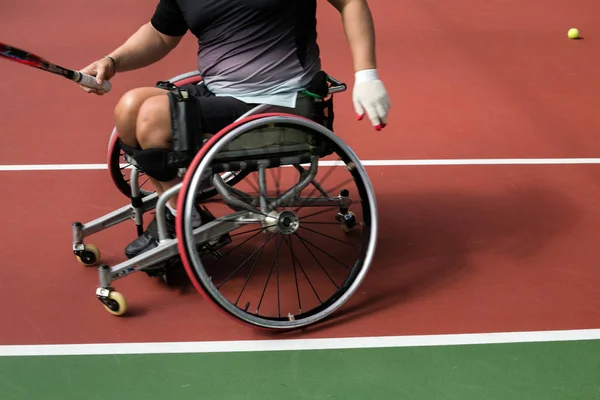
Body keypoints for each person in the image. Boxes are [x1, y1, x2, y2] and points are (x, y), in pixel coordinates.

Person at [78, 0, 390, 262]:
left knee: (153, 118)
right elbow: (160, 36)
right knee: (129, 106)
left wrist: (367, 75)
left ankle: (183, 218)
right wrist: (112, 61)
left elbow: (350, 2)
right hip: (219, 95)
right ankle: (183, 216)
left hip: (279, 101)